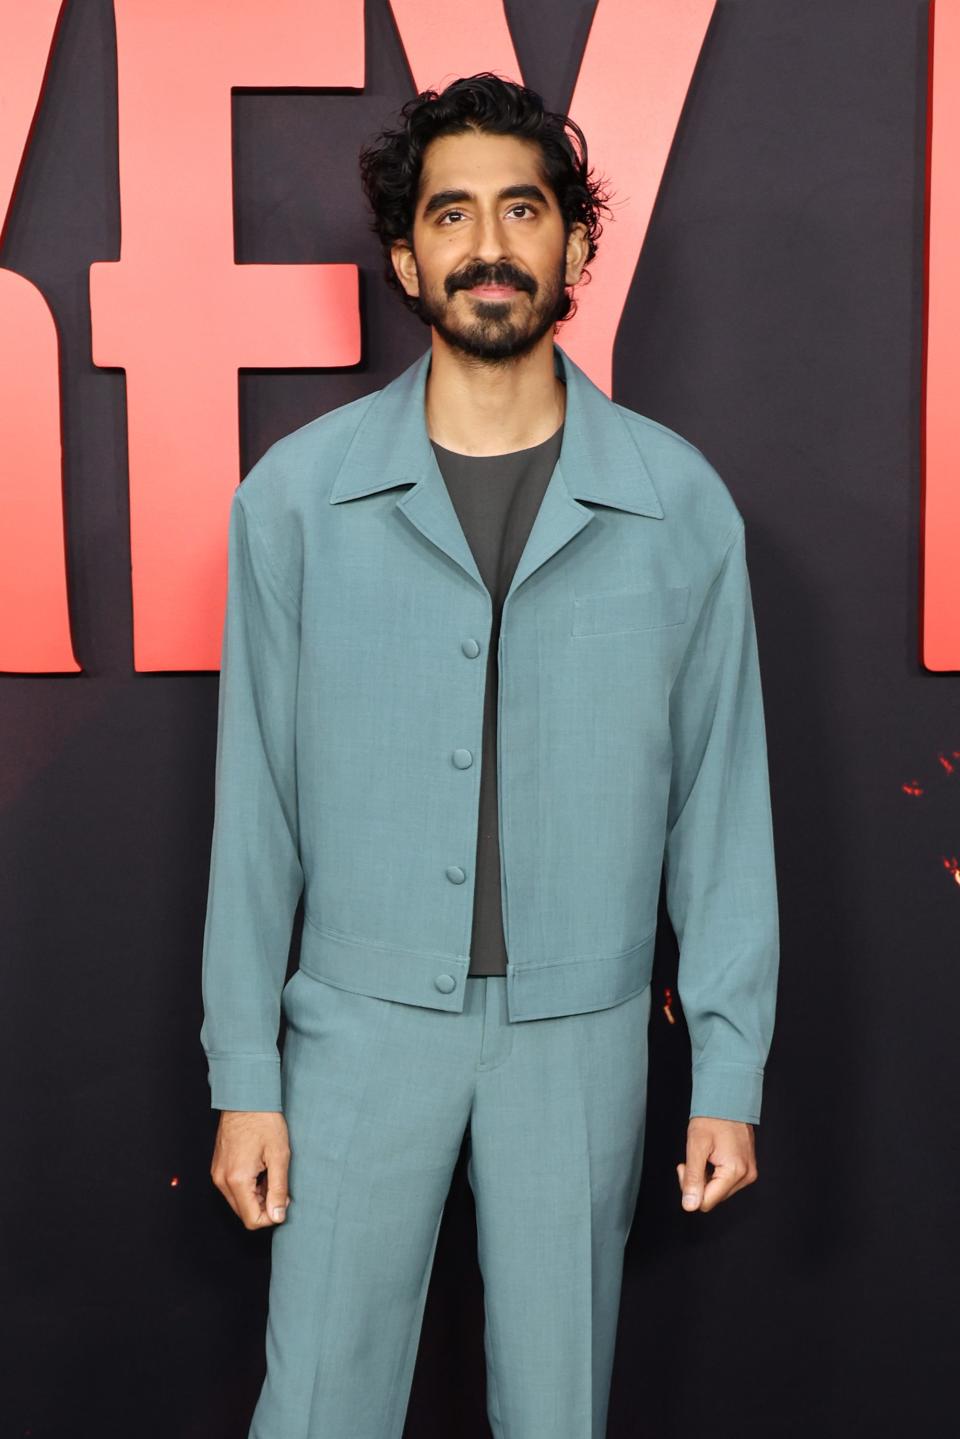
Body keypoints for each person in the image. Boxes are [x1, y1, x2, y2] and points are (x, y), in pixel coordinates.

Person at [200, 72, 780, 1439]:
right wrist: (246, 1076)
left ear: (576, 244)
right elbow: (254, 814)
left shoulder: (677, 503)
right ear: (407, 255)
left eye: (522, 208)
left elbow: (721, 807)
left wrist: (732, 1071)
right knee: (319, 1411)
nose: (488, 244)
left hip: (580, 1045)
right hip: (353, 1033)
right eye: (449, 213)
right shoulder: (296, 499)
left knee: (556, 1412)